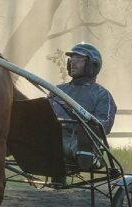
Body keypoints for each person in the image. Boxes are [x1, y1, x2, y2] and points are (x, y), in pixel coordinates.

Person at [48, 42, 117, 170]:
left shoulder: (102, 94)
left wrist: (84, 125)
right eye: (72, 59)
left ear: (92, 65)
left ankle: (83, 157)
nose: (73, 62)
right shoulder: (56, 90)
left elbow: (104, 126)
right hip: (54, 140)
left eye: (79, 59)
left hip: (83, 145)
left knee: (87, 132)